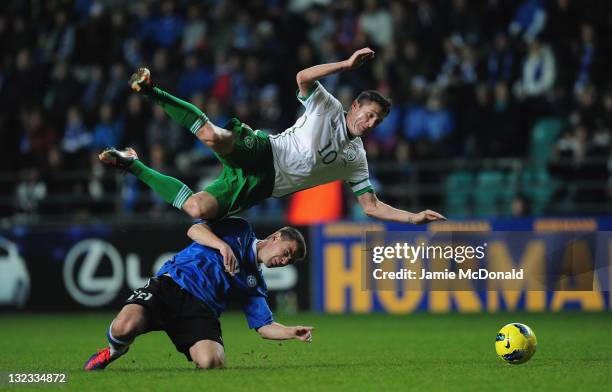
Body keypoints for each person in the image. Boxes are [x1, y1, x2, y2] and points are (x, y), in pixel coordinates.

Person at [99, 47, 445, 224]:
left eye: (377, 120)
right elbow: (303, 78)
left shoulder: (356, 159)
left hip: (262, 186)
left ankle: (132, 164)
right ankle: (151, 90)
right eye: (368, 114)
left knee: (196, 208)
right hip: (266, 152)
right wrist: (344, 65)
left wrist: (411, 217)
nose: (370, 123)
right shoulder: (327, 105)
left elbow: (370, 207)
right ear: (354, 106)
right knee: (213, 137)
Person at [83, 217, 311, 370]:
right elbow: (194, 229)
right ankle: (115, 350)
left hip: (200, 311)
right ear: (276, 237)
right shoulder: (240, 228)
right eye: (287, 252)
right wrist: (222, 245)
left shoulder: (255, 283)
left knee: (212, 362)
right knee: (123, 327)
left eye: (289, 260)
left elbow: (264, 326)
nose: (284, 261)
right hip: (169, 286)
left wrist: (292, 332)